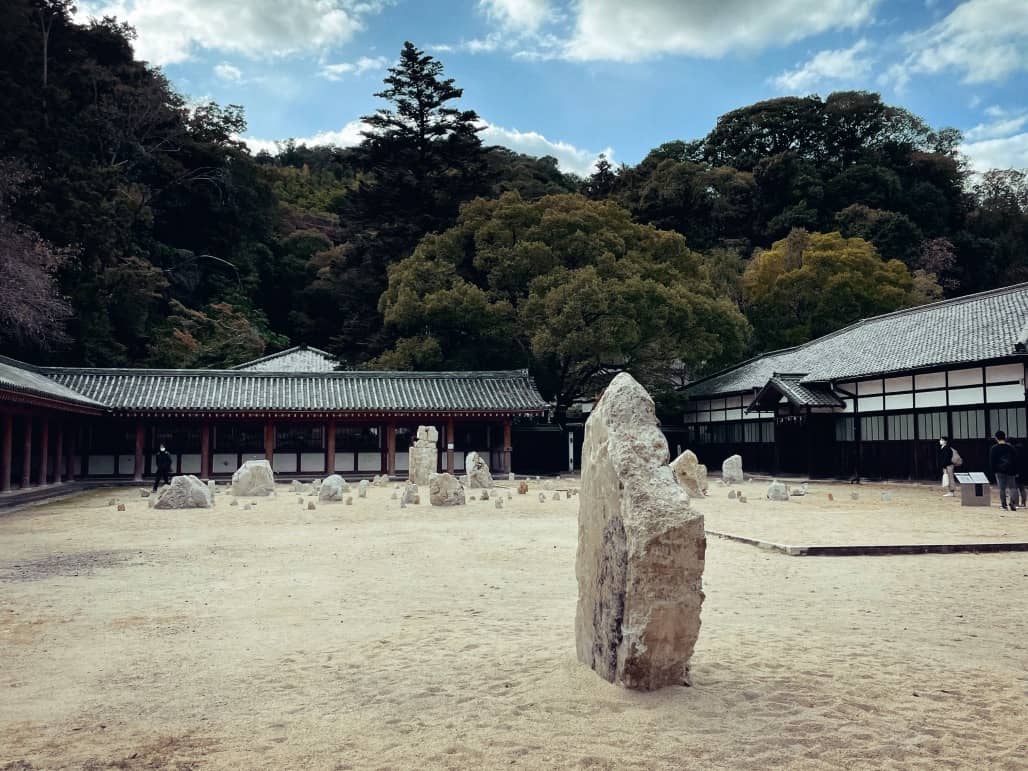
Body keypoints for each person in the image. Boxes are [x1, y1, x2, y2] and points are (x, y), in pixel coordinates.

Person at [989, 431, 1018, 512]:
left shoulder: (994, 448)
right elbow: (1015, 460)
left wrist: (993, 470)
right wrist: (1016, 470)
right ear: (1005, 437)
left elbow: (992, 461)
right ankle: (1013, 503)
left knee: (1002, 488)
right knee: (1013, 487)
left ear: (996, 438)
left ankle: (1004, 505)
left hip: (999, 471)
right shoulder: (1011, 447)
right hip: (1011, 470)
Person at [1017, 438, 1028, 508]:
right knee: (1022, 488)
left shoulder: (1015, 452)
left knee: (1014, 488)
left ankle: (1016, 503)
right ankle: (1023, 503)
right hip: (1024, 471)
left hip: (1017, 471)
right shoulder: (1024, 452)